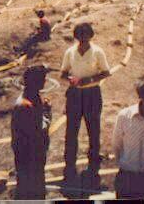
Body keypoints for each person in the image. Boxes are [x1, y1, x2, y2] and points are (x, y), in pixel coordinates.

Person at [60, 22, 110, 183]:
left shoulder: (98, 52)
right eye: (79, 35)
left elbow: (106, 72)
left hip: (92, 95)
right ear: (76, 36)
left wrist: (90, 79)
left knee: (93, 130)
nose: (82, 38)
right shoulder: (70, 52)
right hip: (74, 95)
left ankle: (94, 162)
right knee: (71, 131)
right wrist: (71, 79)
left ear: (90, 35)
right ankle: (69, 164)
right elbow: (63, 73)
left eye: (85, 35)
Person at [11, 65, 52, 199]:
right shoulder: (25, 105)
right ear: (36, 81)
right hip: (30, 157)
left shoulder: (33, 97)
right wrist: (47, 114)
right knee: (31, 192)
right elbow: (37, 130)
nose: (45, 81)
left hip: (32, 155)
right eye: (42, 78)